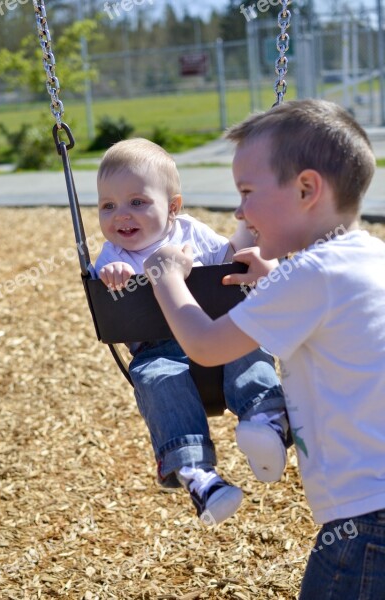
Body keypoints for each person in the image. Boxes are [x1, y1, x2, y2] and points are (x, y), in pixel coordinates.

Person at [143, 99, 385, 598]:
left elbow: (207, 345)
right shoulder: (368, 256)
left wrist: (167, 278)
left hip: (366, 518)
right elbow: (337, 318)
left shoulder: (309, 274)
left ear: (306, 189)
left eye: (248, 192)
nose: (239, 211)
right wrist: (276, 280)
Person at [94, 138, 290, 526]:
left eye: (137, 202)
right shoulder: (113, 254)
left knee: (249, 345)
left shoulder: (190, 232)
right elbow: (104, 280)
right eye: (108, 205)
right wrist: (111, 275)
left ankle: (265, 419)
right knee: (154, 377)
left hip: (218, 331)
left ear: (173, 207)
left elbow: (226, 259)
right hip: (157, 348)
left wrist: (254, 242)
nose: (122, 216)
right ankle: (198, 476)